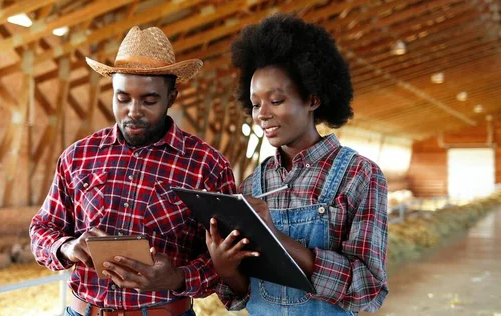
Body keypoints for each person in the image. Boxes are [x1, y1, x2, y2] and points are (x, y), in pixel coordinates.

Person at [29, 26, 237, 316]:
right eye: (122, 98)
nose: (134, 110)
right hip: (83, 310)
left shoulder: (206, 165)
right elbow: (41, 229)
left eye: (149, 100)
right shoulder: (78, 156)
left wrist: (177, 277)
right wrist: (67, 247)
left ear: (172, 97)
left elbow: (229, 259)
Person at [207, 14, 389, 315]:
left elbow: (367, 289)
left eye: (276, 101)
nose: (261, 114)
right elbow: (241, 295)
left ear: (313, 98)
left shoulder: (359, 175)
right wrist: (225, 269)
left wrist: (275, 239)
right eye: (255, 104)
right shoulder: (254, 184)